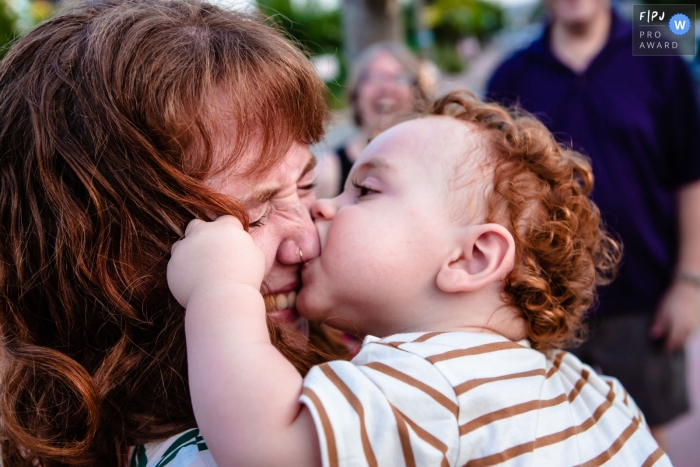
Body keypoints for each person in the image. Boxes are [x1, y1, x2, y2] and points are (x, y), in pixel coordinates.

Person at [169, 91, 671, 466]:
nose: (319, 207)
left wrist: (219, 286)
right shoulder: (592, 390)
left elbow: (265, 445)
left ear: (471, 258)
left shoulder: (432, 385)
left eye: (363, 190)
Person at [0, 0, 347, 465]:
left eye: (306, 186)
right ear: (91, 249)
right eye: (250, 216)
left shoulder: (388, 377)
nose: (307, 243)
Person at [486, 0, 700, 444]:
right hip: (542, 304)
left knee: (641, 441)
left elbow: (691, 177)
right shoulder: (511, 75)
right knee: (552, 444)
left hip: (644, 302)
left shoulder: (658, 51)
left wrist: (690, 282)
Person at [314, 42, 430, 199]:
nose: (386, 87)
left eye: (399, 78)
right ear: (356, 96)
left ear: (416, 94)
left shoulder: (433, 160)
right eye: (374, 78)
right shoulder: (329, 172)